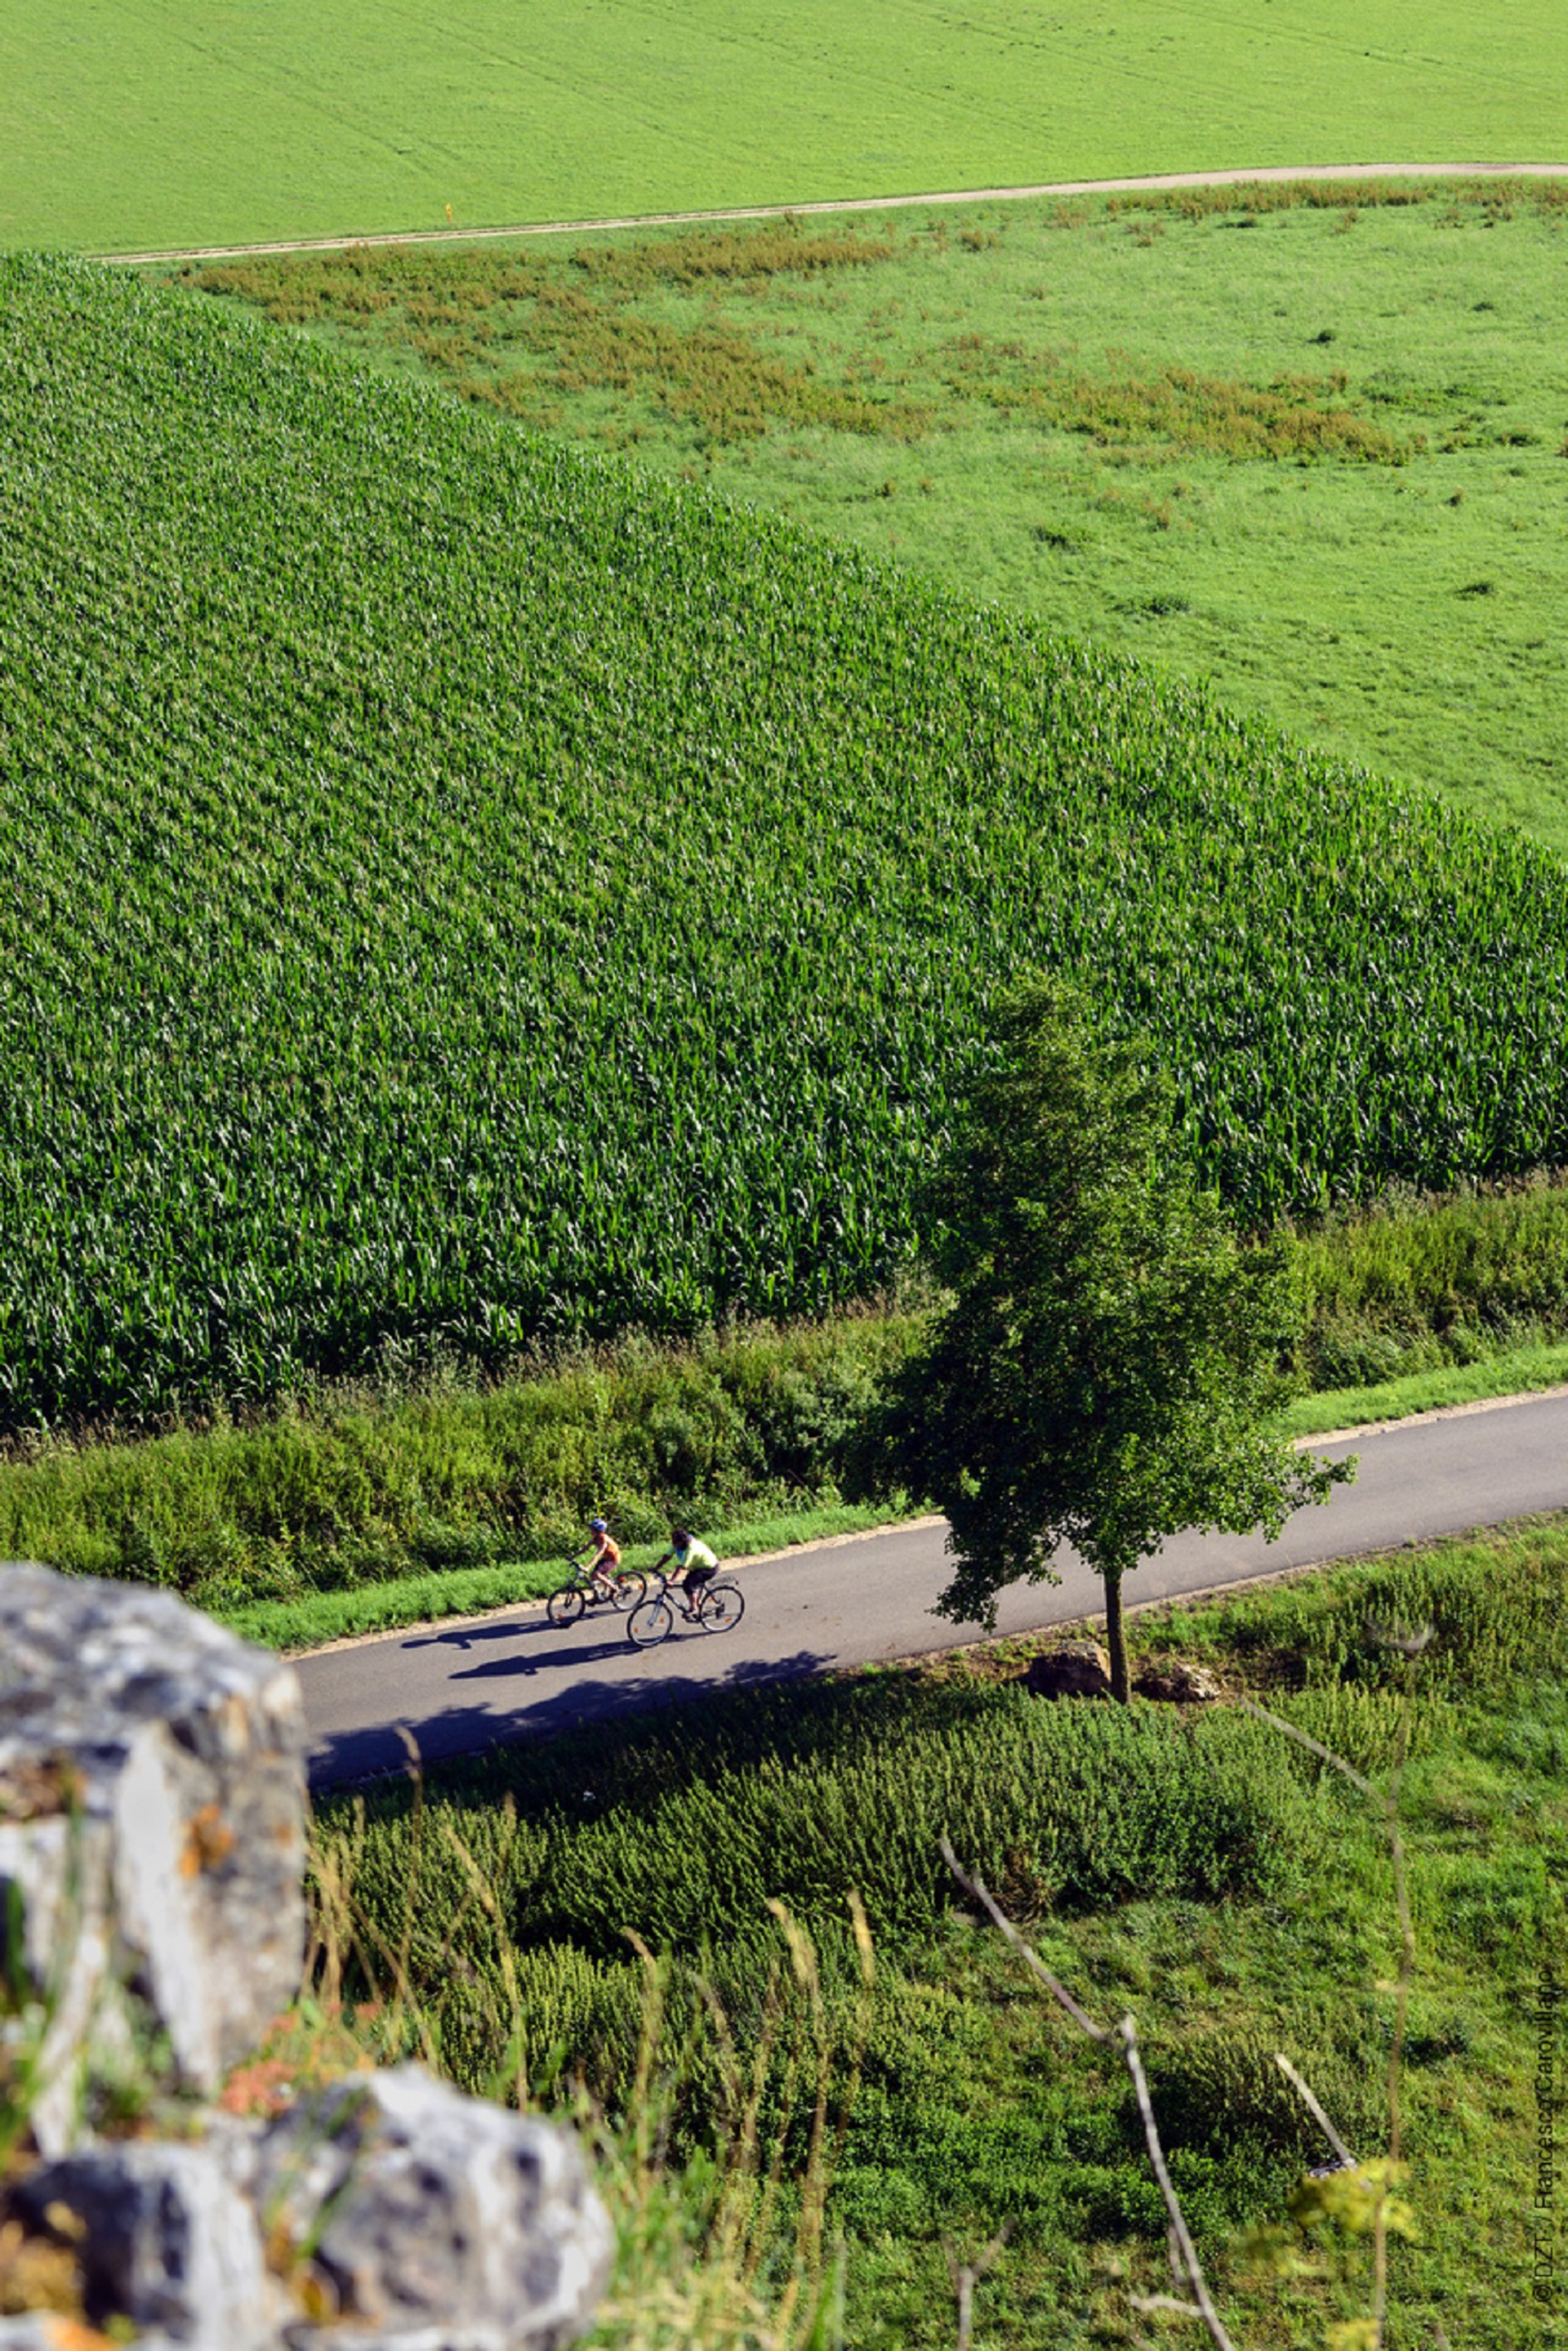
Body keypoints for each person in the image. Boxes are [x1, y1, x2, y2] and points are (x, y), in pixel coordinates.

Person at [655, 1526, 719, 1608]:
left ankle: (693, 1608)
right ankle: (697, 1601)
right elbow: (667, 1556)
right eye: (673, 1541)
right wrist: (656, 1568)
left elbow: (682, 1567)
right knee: (692, 1582)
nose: (673, 1544)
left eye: (675, 1542)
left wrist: (672, 1580)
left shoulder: (691, 1548)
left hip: (709, 1568)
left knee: (687, 1584)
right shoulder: (677, 1544)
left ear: (682, 1542)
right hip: (697, 1567)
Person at [577, 1518, 622, 1602]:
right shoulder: (595, 1538)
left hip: (613, 1559)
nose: (591, 1531)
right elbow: (584, 1549)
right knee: (592, 1576)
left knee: (597, 1574)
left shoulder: (604, 1539)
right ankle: (596, 1597)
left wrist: (588, 1567)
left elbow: (599, 1554)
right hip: (606, 1558)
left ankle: (614, 1588)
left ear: (599, 1531)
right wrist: (572, 1557)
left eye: (593, 1530)